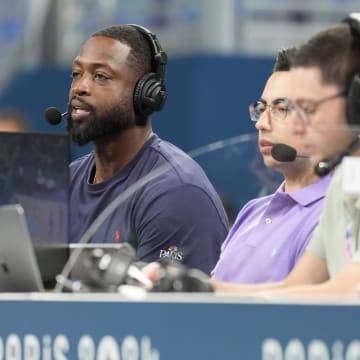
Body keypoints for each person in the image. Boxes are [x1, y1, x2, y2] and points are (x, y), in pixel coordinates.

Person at [212, 16, 360, 296]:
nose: (297, 125)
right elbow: (293, 288)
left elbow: (349, 290)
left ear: (356, 106)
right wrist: (197, 290)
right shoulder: (345, 182)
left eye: (309, 107)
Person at [66, 24, 228, 274]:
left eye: (101, 76)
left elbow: (154, 310)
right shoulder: (67, 180)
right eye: (77, 73)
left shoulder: (176, 192)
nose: (80, 87)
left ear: (146, 94)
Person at [211, 48, 332, 284]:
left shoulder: (333, 213)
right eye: (262, 108)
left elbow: (297, 309)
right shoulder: (252, 211)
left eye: (280, 109)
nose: (262, 124)